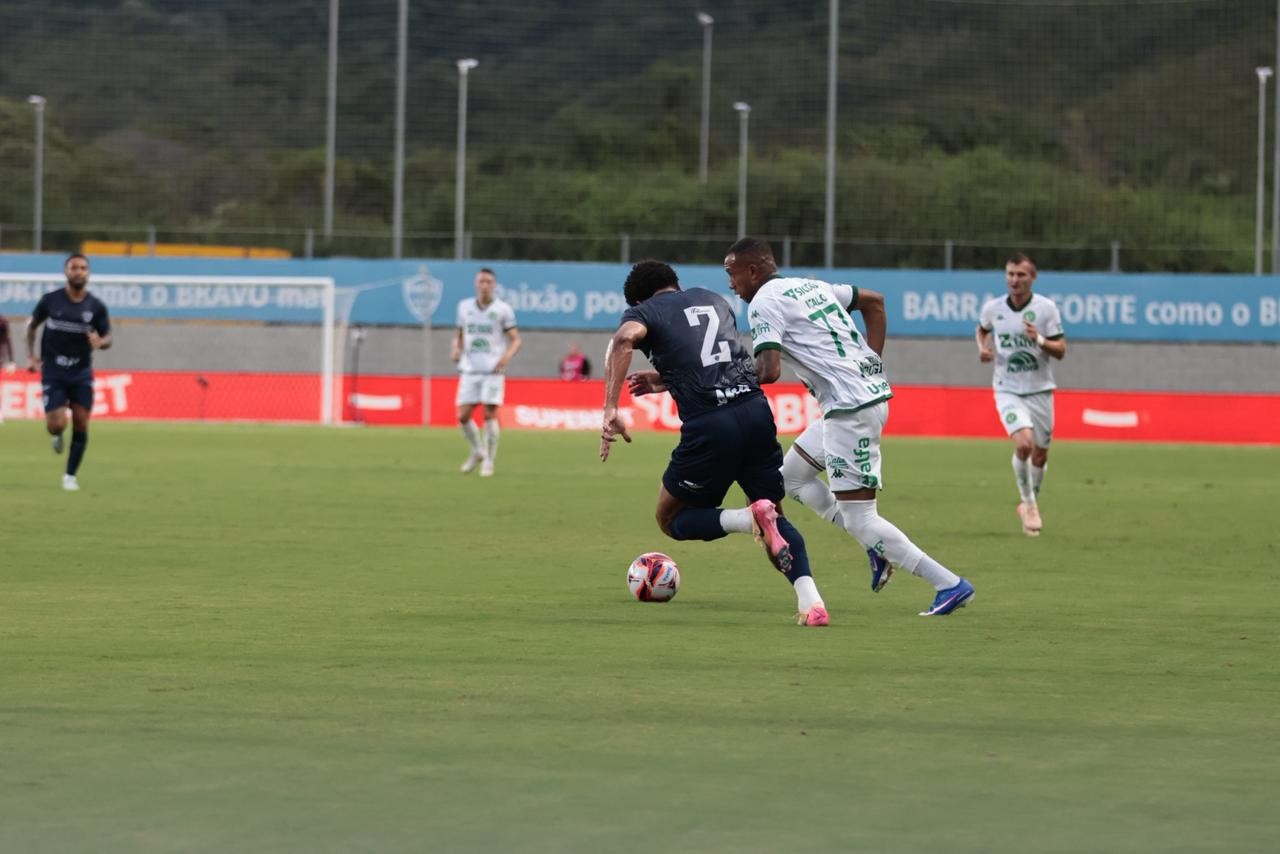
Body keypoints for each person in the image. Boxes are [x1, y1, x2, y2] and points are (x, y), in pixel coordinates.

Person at [724, 237, 974, 617]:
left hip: (850, 410)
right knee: (790, 479)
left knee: (862, 519)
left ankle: (949, 584)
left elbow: (769, 370)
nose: (731, 284)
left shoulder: (762, 303)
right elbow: (874, 302)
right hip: (850, 403)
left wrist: (723, 383)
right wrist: (871, 362)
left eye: (732, 274)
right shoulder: (811, 286)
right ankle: (876, 549)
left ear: (753, 270)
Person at [600, 259, 829, 627]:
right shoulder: (714, 299)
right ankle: (812, 601)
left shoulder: (644, 311)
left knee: (670, 517)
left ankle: (746, 519)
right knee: (775, 513)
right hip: (755, 412)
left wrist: (611, 407)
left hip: (710, 424)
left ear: (640, 299)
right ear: (675, 283)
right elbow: (715, 358)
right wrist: (662, 378)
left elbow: (624, 339)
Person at [976, 252, 1067, 536]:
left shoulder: (1046, 309)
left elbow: (1061, 350)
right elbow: (982, 330)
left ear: (1033, 278)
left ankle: (1028, 503)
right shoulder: (993, 308)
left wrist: (1038, 339)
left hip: (1040, 389)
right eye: (1010, 274)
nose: (1014, 280)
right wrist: (983, 348)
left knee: (1040, 455)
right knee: (1024, 445)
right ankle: (1029, 505)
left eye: (1021, 275)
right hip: (1007, 389)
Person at [26, 253, 112, 491]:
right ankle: (56, 434)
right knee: (56, 423)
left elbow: (108, 337)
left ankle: (70, 476)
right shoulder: (51, 301)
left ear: (88, 273)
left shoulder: (95, 306)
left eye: (83, 268)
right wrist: (31, 356)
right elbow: (32, 326)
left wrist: (100, 341)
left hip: (81, 372)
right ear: (66, 272)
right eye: (74, 267)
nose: (78, 271)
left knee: (82, 422)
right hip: (53, 370)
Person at [451, 267, 521, 477]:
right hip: (470, 369)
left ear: (494, 285)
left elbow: (516, 339)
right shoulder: (464, 307)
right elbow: (461, 333)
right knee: (462, 416)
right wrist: (456, 348)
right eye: (481, 281)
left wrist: (506, 357)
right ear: (476, 283)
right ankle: (477, 450)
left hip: (492, 370)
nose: (485, 285)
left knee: (489, 414)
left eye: (488, 282)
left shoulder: (503, 310)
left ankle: (489, 461)